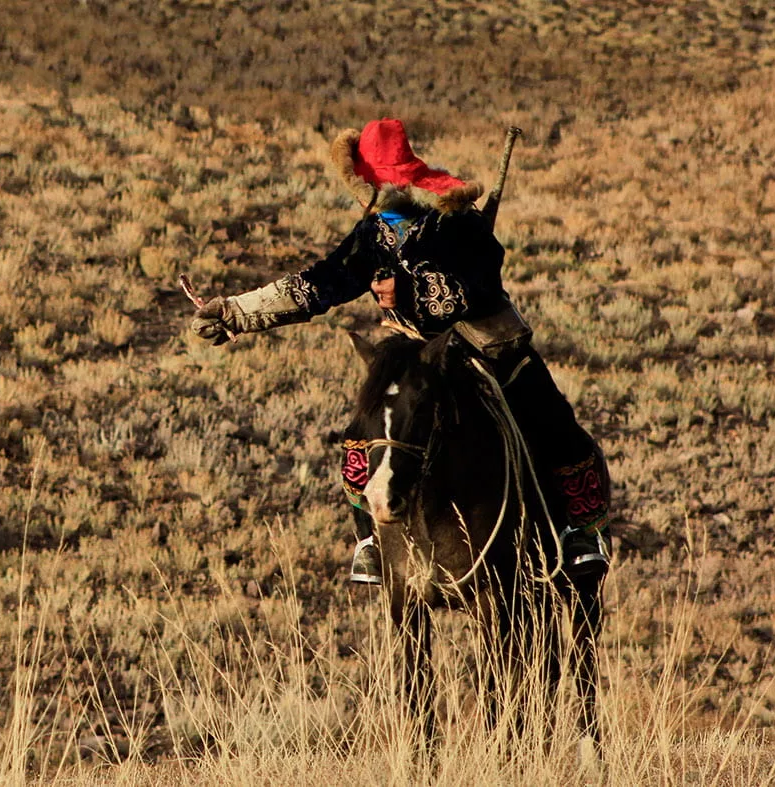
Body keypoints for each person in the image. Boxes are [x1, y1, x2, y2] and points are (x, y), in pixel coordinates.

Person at [190, 118, 610, 582]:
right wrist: (236, 313)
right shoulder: (374, 231)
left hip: (491, 345)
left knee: (555, 422)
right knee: (360, 433)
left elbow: (477, 286)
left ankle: (579, 533)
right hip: (415, 351)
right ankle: (370, 540)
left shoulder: (458, 220)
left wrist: (405, 290)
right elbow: (321, 282)